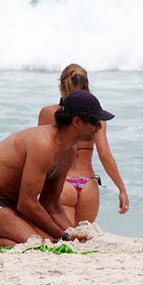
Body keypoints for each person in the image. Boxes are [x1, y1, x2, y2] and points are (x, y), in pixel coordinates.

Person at [0, 90, 114, 249]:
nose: (99, 127)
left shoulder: (70, 151)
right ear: (77, 122)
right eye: (95, 121)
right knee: (34, 246)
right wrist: (63, 236)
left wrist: (71, 234)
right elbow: (27, 203)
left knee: (52, 241)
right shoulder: (43, 144)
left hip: (11, 206)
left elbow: (50, 203)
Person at [38, 64, 130, 225]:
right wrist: (121, 188)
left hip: (62, 183)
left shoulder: (49, 113)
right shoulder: (96, 116)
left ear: (61, 86)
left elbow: (40, 154)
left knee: (64, 239)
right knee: (82, 240)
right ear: (87, 85)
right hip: (88, 185)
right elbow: (105, 154)